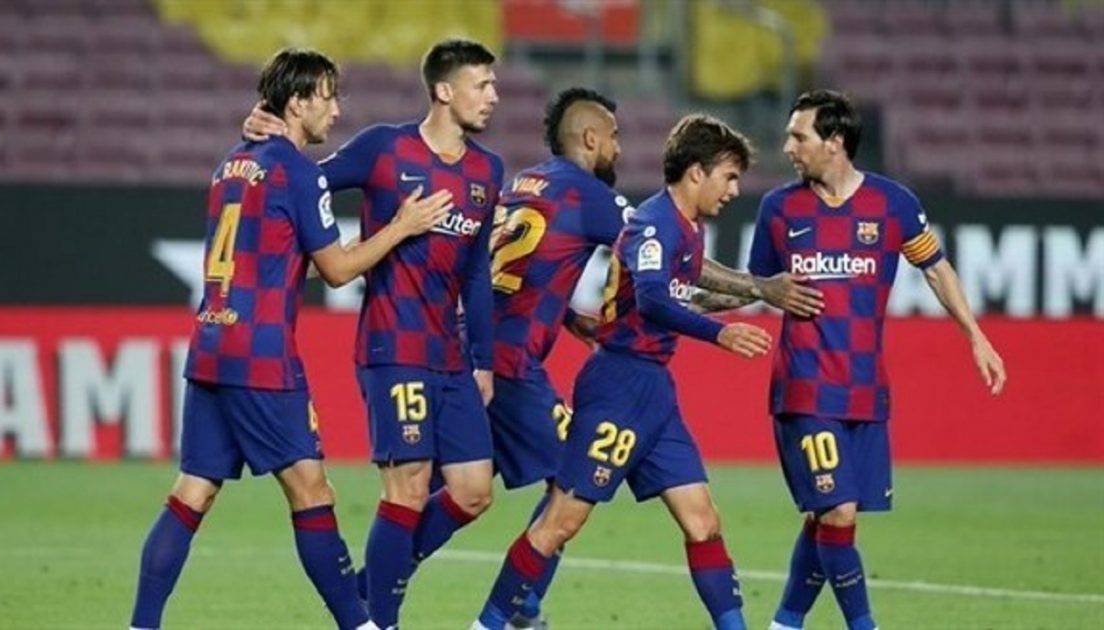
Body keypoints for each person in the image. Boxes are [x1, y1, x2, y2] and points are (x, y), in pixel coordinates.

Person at [129, 48, 451, 630]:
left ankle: (141, 625)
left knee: (192, 493)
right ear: (298, 102)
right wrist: (402, 227)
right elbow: (338, 270)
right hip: (262, 356)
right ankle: (360, 625)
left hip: (211, 346)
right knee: (312, 491)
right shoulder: (298, 172)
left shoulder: (231, 164)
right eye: (327, 96)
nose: (336, 109)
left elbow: (270, 255)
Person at [484, 87, 825, 629]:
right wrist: (722, 333)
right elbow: (654, 300)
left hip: (654, 392)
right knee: (559, 523)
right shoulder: (652, 223)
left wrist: (761, 291)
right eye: (728, 177)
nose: (735, 190)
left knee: (702, 520)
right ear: (697, 173)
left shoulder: (687, 230)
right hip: (618, 385)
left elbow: (682, 296)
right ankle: (491, 622)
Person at [244, 38, 503, 630]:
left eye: (493, 85)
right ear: (444, 91)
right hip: (392, 346)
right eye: (482, 84)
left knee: (473, 491)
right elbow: (300, 182)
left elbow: (476, 273)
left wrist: (483, 359)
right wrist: (261, 139)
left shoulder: (487, 171)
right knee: (407, 488)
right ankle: (381, 621)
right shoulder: (385, 149)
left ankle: (368, 590)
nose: (493, 96)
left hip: (450, 354)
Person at [749, 90, 1007, 630]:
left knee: (831, 519)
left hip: (866, 391)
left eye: (799, 136)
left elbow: (935, 269)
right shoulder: (778, 208)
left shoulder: (893, 204)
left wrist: (975, 336)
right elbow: (753, 285)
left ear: (835, 141)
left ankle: (784, 624)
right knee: (837, 511)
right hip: (806, 387)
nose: (788, 147)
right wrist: (684, 293)